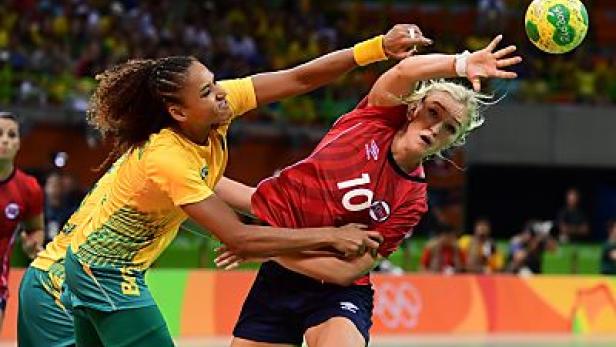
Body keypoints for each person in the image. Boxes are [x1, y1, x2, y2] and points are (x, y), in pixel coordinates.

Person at [22, 25, 423, 347]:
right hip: (66, 283)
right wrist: (331, 236)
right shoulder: (167, 156)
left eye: (214, 83)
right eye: (207, 92)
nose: (221, 94)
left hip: (94, 271)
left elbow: (299, 78)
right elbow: (240, 238)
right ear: (178, 112)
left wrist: (377, 49)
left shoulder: (215, 112)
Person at [215, 34, 522, 347]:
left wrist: (262, 247)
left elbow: (345, 272)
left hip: (334, 293)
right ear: (414, 108)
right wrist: (461, 63)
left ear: (451, 143)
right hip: (278, 282)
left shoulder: (412, 201)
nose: (435, 129)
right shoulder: (374, 119)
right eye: (434, 112)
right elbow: (403, 73)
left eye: (449, 129)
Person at [0, 111, 44, 331]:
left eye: (11, 135)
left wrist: (32, 243)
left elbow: (35, 229)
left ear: (18, 144)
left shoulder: (29, 189)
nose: (5, 140)